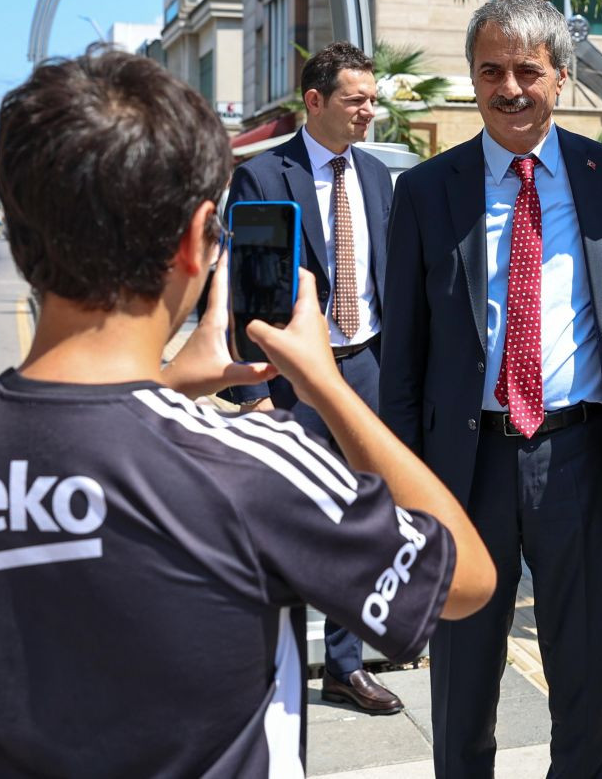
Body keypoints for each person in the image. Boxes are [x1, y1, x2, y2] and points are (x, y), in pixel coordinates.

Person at [0, 47, 494, 775]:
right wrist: (327, 388)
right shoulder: (258, 468)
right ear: (198, 243)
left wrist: (165, 384)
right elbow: (466, 579)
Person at [381, 0, 602, 779]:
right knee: (461, 678)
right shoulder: (424, 192)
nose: (510, 87)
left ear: (561, 77)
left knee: (586, 677)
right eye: (491, 70)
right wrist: (404, 484)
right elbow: (403, 359)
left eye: (528, 70)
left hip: (580, 457)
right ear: (472, 79)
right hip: (467, 469)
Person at [225, 41, 405, 714]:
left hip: (369, 368)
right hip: (291, 380)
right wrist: (250, 394)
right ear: (315, 101)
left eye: (372, 97)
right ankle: (275, 661)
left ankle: (345, 664)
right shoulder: (265, 178)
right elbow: (246, 291)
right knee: (291, 523)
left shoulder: (379, 178)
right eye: (357, 99)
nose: (370, 110)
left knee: (365, 519)